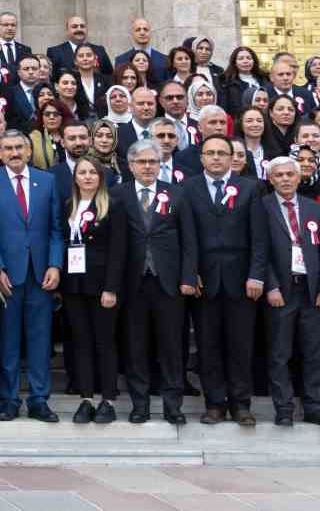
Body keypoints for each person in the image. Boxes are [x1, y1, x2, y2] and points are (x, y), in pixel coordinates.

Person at [112, 138, 199, 425]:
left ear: (160, 165)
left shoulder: (177, 194)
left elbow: (190, 241)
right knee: (136, 347)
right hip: (133, 283)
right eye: (142, 162)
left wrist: (188, 277)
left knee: (172, 346)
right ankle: (140, 405)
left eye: (153, 162)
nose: (148, 166)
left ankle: (173, 405)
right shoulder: (118, 195)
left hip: (170, 283)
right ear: (131, 165)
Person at [0, 130, 63, 422]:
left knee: (40, 339)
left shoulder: (48, 181)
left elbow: (56, 228)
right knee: (9, 339)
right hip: (6, 275)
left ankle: (40, 399)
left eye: (19, 147)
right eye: (8, 148)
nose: (14, 153)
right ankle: (9, 399)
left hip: (41, 274)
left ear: (28, 151)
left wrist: (54, 264)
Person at [253, 153, 320, 426]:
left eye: (290, 174)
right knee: (279, 352)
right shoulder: (262, 207)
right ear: (270, 178)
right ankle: (284, 408)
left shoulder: (314, 207)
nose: (285, 179)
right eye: (279, 175)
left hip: (312, 291)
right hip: (281, 290)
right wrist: (271, 286)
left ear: (299, 177)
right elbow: (259, 250)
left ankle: (315, 407)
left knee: (314, 351)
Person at [182, 134, 261, 426]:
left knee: (240, 345)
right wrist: (191, 272)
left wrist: (256, 274)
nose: (215, 158)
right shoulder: (188, 188)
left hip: (242, 281)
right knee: (208, 344)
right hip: (205, 281)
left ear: (232, 158)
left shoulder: (250, 189)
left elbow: (259, 238)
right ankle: (214, 403)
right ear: (201, 157)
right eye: (210, 153)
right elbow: (186, 236)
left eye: (221, 153)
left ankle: (241, 404)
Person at [58, 152, 125, 424]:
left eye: (92, 173)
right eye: (82, 172)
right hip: (74, 284)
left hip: (102, 286)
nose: (87, 177)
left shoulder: (113, 205)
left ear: (101, 177)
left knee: (104, 342)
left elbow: (119, 250)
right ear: (75, 177)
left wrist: (111, 287)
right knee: (80, 343)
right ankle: (86, 398)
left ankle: (107, 399)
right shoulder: (68, 206)